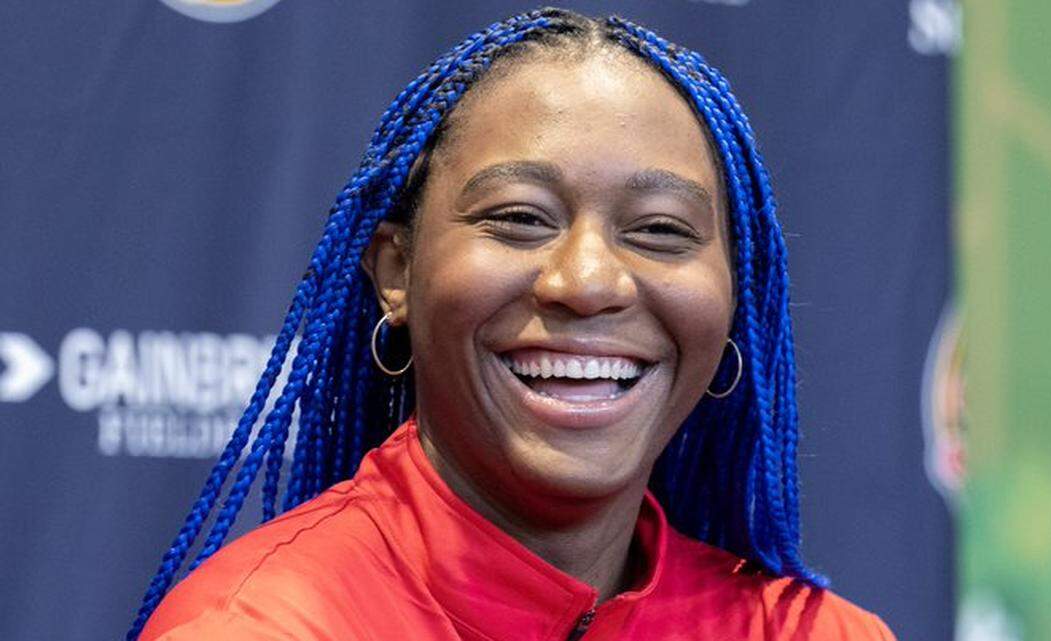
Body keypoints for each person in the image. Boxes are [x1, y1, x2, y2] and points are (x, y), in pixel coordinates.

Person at [128, 8, 896, 640]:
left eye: (661, 230)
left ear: (735, 295)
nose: (589, 282)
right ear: (396, 270)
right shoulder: (263, 626)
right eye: (521, 218)